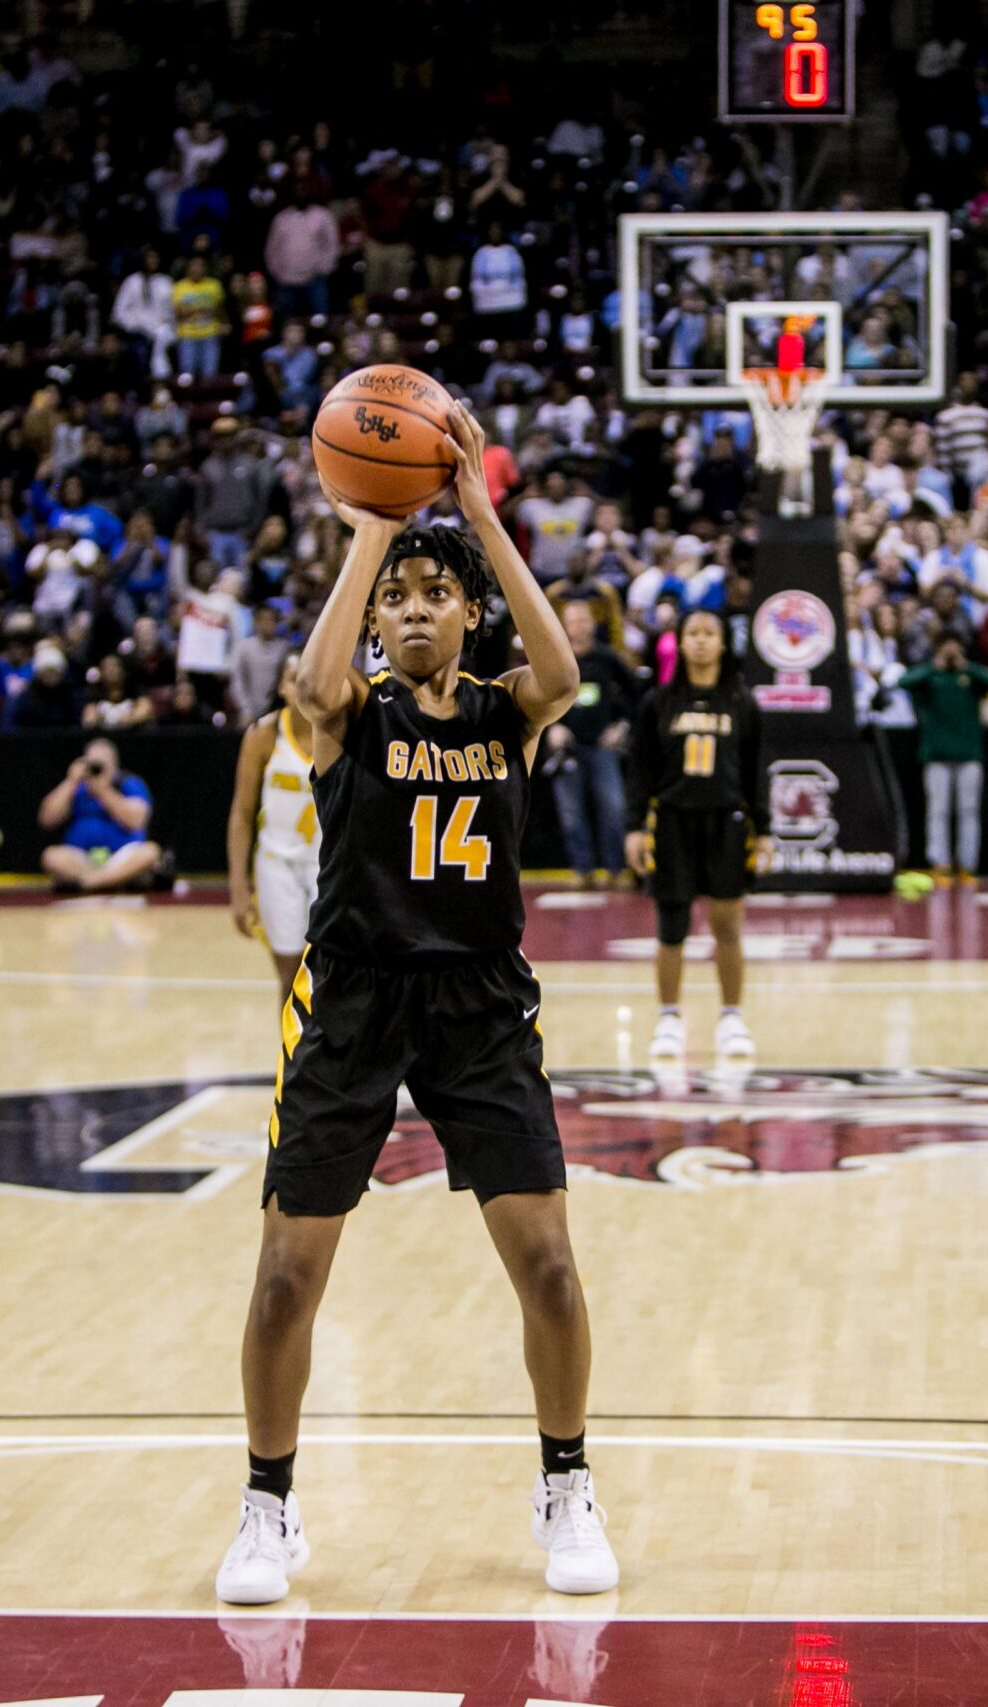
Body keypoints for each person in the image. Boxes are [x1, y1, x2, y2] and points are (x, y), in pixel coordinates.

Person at [217, 401, 613, 1608]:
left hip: (479, 1001)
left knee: (546, 1265)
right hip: (352, 998)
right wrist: (366, 538)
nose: (415, 607)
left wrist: (479, 514)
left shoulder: (505, 711)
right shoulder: (350, 716)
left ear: (466, 614)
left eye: (434, 594)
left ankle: (567, 1481)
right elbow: (311, 688)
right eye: (400, 597)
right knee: (286, 1277)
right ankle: (266, 1505)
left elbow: (565, 671)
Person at [625, 608, 771, 1060]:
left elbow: (755, 772)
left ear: (723, 643)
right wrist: (634, 827)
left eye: (711, 633)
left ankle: (731, 1018)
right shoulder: (658, 702)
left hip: (726, 822)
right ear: (681, 643)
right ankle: (669, 1018)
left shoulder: (742, 702)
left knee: (728, 927)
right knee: (672, 928)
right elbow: (640, 770)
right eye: (694, 633)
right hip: (671, 821)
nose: (703, 641)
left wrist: (763, 830)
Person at [227, 662, 319, 998]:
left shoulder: (342, 730)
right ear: (282, 687)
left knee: (329, 973)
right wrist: (238, 885)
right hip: (276, 862)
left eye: (310, 678)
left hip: (327, 866)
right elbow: (242, 812)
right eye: (295, 680)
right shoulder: (263, 735)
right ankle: (292, 1050)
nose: (303, 687)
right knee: (290, 974)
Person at [899, 635, 988, 884]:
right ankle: (941, 863)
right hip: (936, 755)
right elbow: (904, 682)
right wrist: (931, 667)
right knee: (938, 811)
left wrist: (967, 666)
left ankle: (967, 865)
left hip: (968, 754)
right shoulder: (931, 676)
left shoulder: (970, 676)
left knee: (968, 811)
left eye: (954, 648)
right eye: (945, 648)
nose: (950, 653)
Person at [543, 601, 633, 889]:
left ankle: (616, 869)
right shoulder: (555, 659)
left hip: (602, 746)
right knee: (571, 814)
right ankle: (583, 870)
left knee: (613, 807)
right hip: (566, 749)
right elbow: (538, 696)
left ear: (593, 623)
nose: (579, 627)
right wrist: (550, 726)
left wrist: (621, 725)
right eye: (573, 621)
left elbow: (637, 693)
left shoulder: (608, 659)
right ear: (564, 626)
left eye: (584, 620)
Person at [38, 737, 162, 892]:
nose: (96, 770)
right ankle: (110, 881)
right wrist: (70, 781)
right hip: (82, 859)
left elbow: (136, 821)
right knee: (51, 856)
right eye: (92, 765)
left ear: (114, 764)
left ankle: (90, 884)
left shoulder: (129, 784)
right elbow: (47, 819)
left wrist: (103, 791)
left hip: (121, 857)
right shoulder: (77, 788)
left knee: (150, 852)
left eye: (101, 765)